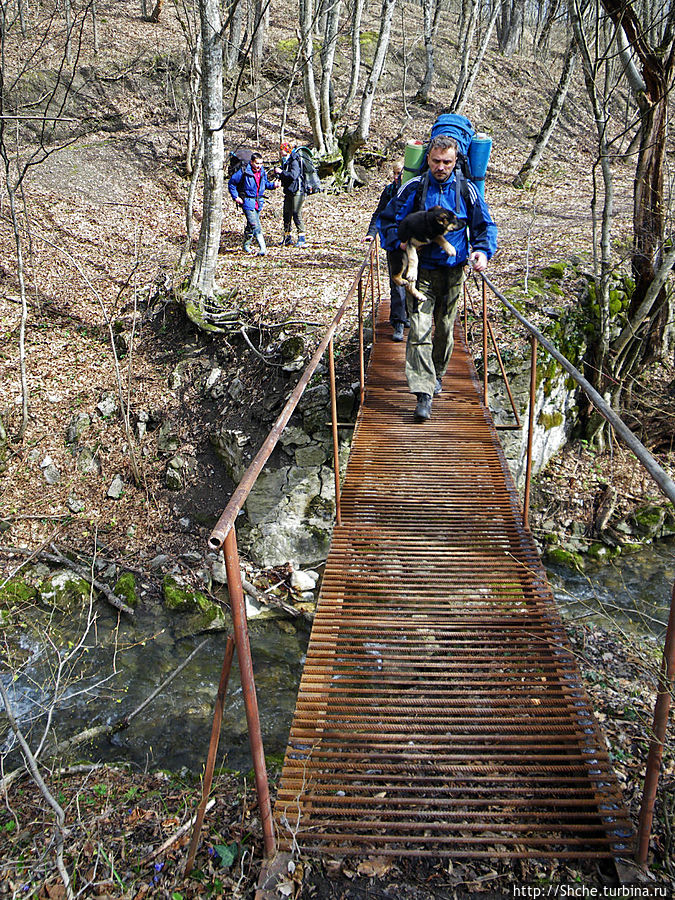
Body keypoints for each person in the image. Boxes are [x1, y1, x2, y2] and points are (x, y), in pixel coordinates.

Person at [380, 135, 497, 421]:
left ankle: (437, 375)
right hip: (420, 273)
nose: (441, 167)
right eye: (436, 161)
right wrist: (399, 242)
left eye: (447, 162)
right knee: (419, 330)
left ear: (456, 161)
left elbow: (485, 224)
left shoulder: (466, 189)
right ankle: (423, 393)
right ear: (428, 160)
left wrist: (482, 251)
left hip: (453, 271)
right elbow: (388, 219)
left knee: (444, 329)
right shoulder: (414, 187)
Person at [365, 158, 408, 341]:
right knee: (397, 282)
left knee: (414, 281)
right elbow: (379, 213)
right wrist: (371, 233)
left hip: (414, 243)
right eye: (396, 173)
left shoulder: (417, 189)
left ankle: (407, 317)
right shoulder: (389, 191)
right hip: (393, 242)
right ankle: (398, 322)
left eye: (401, 173)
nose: (397, 177)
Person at [228, 151, 279, 256]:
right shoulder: (244, 171)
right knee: (255, 225)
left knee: (250, 225)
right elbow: (232, 184)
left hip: (258, 202)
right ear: (251, 162)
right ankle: (263, 249)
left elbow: (265, 185)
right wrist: (236, 197)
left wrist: (273, 185)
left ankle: (246, 245)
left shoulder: (262, 172)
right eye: (257, 163)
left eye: (261, 163)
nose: (259, 166)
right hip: (247, 201)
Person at [279, 142, 307, 248]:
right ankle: (287, 237)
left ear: (286, 150)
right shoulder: (285, 161)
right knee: (286, 214)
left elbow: (293, 175)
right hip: (289, 191)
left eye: (282, 149)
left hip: (298, 191)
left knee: (296, 213)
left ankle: (301, 237)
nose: (280, 151)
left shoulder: (294, 160)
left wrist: (281, 172)